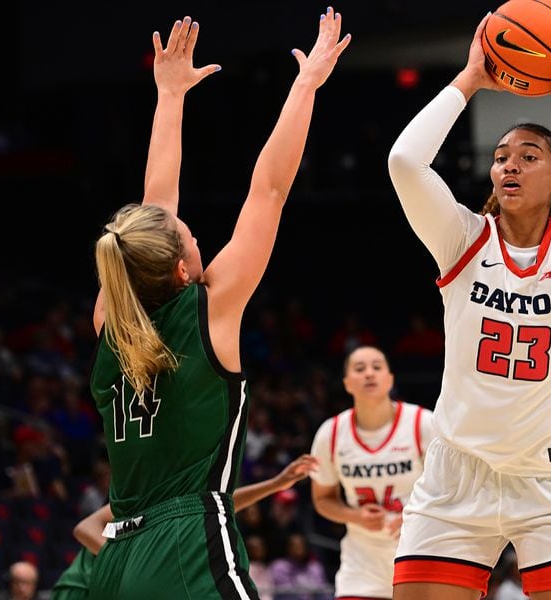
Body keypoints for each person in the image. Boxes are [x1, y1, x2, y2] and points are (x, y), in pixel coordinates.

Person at [82, 12, 350, 599]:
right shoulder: (208, 310)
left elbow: (154, 208)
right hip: (185, 547)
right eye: (192, 239)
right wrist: (306, 86)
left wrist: (170, 96)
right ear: (181, 267)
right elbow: (270, 190)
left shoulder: (110, 320)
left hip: (114, 561)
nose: (198, 237)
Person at [386, 11, 551, 600]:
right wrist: (470, 80)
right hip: (455, 478)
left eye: (528, 156)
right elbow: (404, 162)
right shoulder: (462, 238)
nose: (509, 164)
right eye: (502, 156)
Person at [51, 454, 319, 599]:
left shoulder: (186, 497)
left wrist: (274, 484)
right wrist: (130, 563)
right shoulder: (150, 492)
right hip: (83, 586)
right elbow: (85, 528)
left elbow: (219, 506)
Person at [309, 345, 435, 600]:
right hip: (361, 569)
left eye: (377, 367)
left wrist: (415, 516)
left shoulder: (423, 423)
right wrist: (355, 516)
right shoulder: (330, 433)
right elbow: (322, 499)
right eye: (359, 369)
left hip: (420, 554)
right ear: (347, 383)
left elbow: (450, 487)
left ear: (390, 379)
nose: (369, 374)